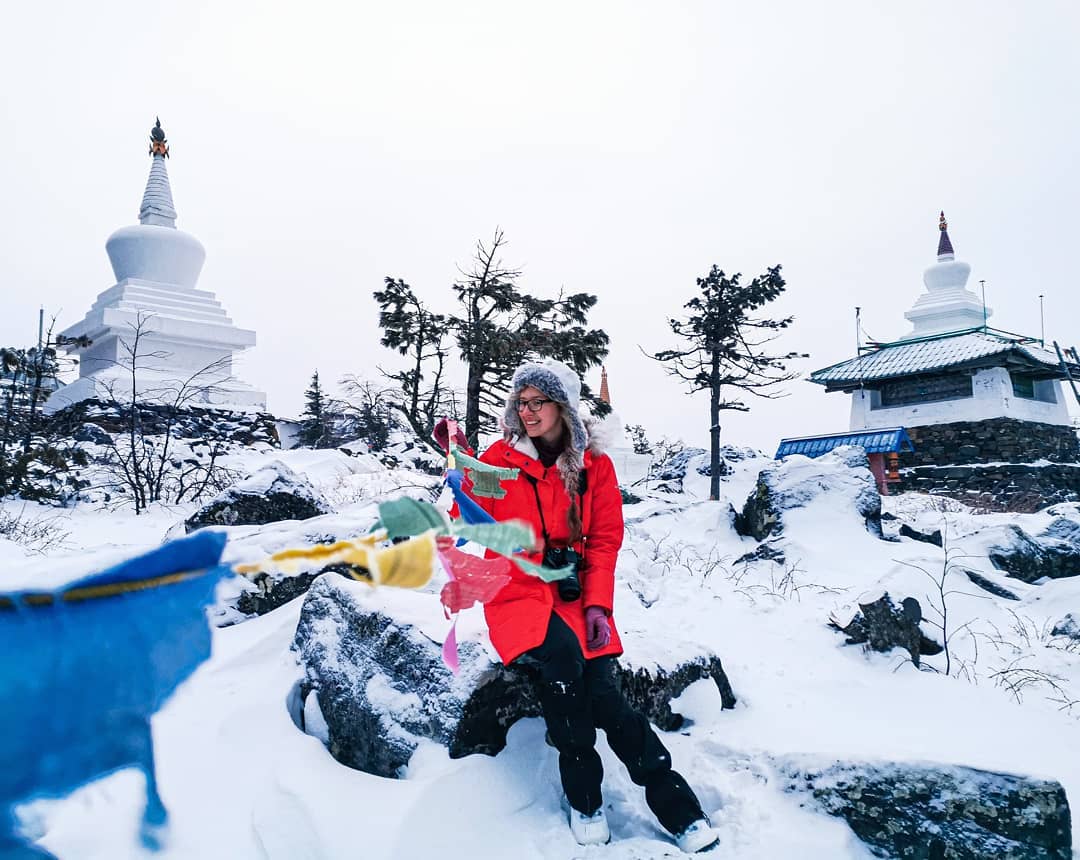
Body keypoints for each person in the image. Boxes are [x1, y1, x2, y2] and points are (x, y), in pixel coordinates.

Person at [455, 358, 720, 853]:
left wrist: (599, 607)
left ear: (564, 408)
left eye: (539, 402)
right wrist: (461, 467)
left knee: (606, 694)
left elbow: (603, 541)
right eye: (522, 401)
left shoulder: (594, 466)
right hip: (516, 589)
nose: (528, 411)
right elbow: (468, 520)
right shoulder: (499, 458)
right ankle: (585, 799)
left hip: (576, 595)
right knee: (562, 663)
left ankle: (676, 805)